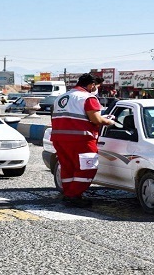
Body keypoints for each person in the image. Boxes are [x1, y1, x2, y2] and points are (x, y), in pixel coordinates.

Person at [51, 74, 115, 208]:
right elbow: (96, 119)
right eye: (96, 86)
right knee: (88, 167)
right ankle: (73, 195)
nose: (96, 89)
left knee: (68, 167)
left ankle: (69, 193)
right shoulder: (88, 97)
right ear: (91, 85)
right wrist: (109, 121)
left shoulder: (62, 97)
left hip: (59, 139)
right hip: (81, 139)